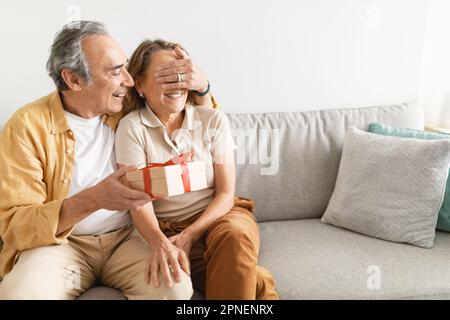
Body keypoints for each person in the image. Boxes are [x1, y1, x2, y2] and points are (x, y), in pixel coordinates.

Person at [0, 20, 215, 299]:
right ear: (73, 79)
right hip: (62, 244)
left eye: (125, 68)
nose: (127, 79)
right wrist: (93, 199)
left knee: (175, 290)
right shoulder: (26, 126)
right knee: (21, 294)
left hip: (127, 237)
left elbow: (193, 116)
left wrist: (203, 87)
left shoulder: (128, 105)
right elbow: (15, 224)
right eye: (115, 72)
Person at [115, 39, 279, 299]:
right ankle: (258, 283)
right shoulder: (132, 128)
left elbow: (226, 193)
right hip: (167, 230)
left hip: (220, 216)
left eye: (181, 75)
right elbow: (138, 201)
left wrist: (191, 234)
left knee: (235, 236)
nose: (176, 85)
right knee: (250, 281)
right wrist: (162, 240)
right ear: (140, 84)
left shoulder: (212, 119)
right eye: (165, 77)